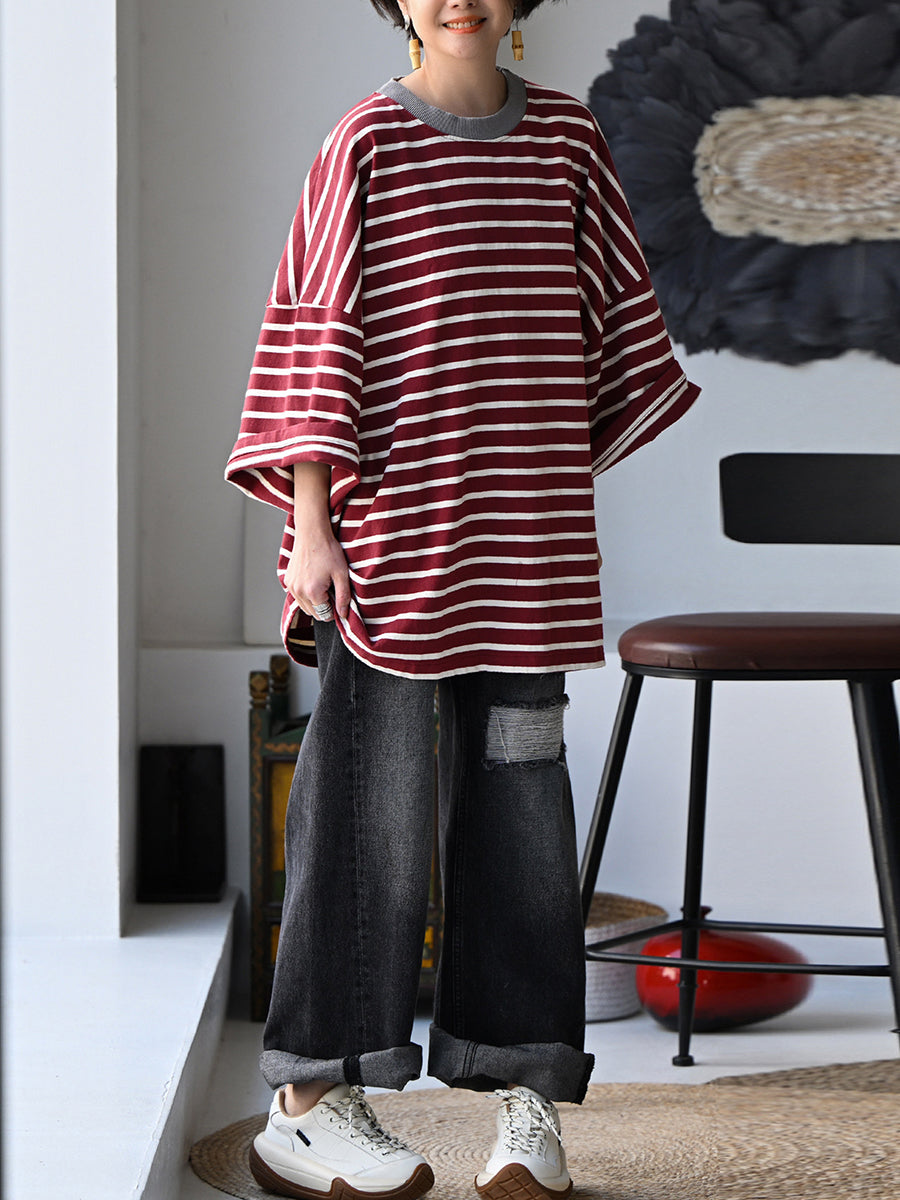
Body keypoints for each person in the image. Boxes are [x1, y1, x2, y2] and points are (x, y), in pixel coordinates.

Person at [226, 1, 700, 1197]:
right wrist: (312, 534)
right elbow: (315, 336)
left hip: (526, 553)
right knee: (366, 823)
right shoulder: (365, 142)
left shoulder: (568, 142)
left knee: (524, 826)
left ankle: (524, 1100)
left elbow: (609, 331)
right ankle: (310, 1101)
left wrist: (526, 468)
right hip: (390, 548)